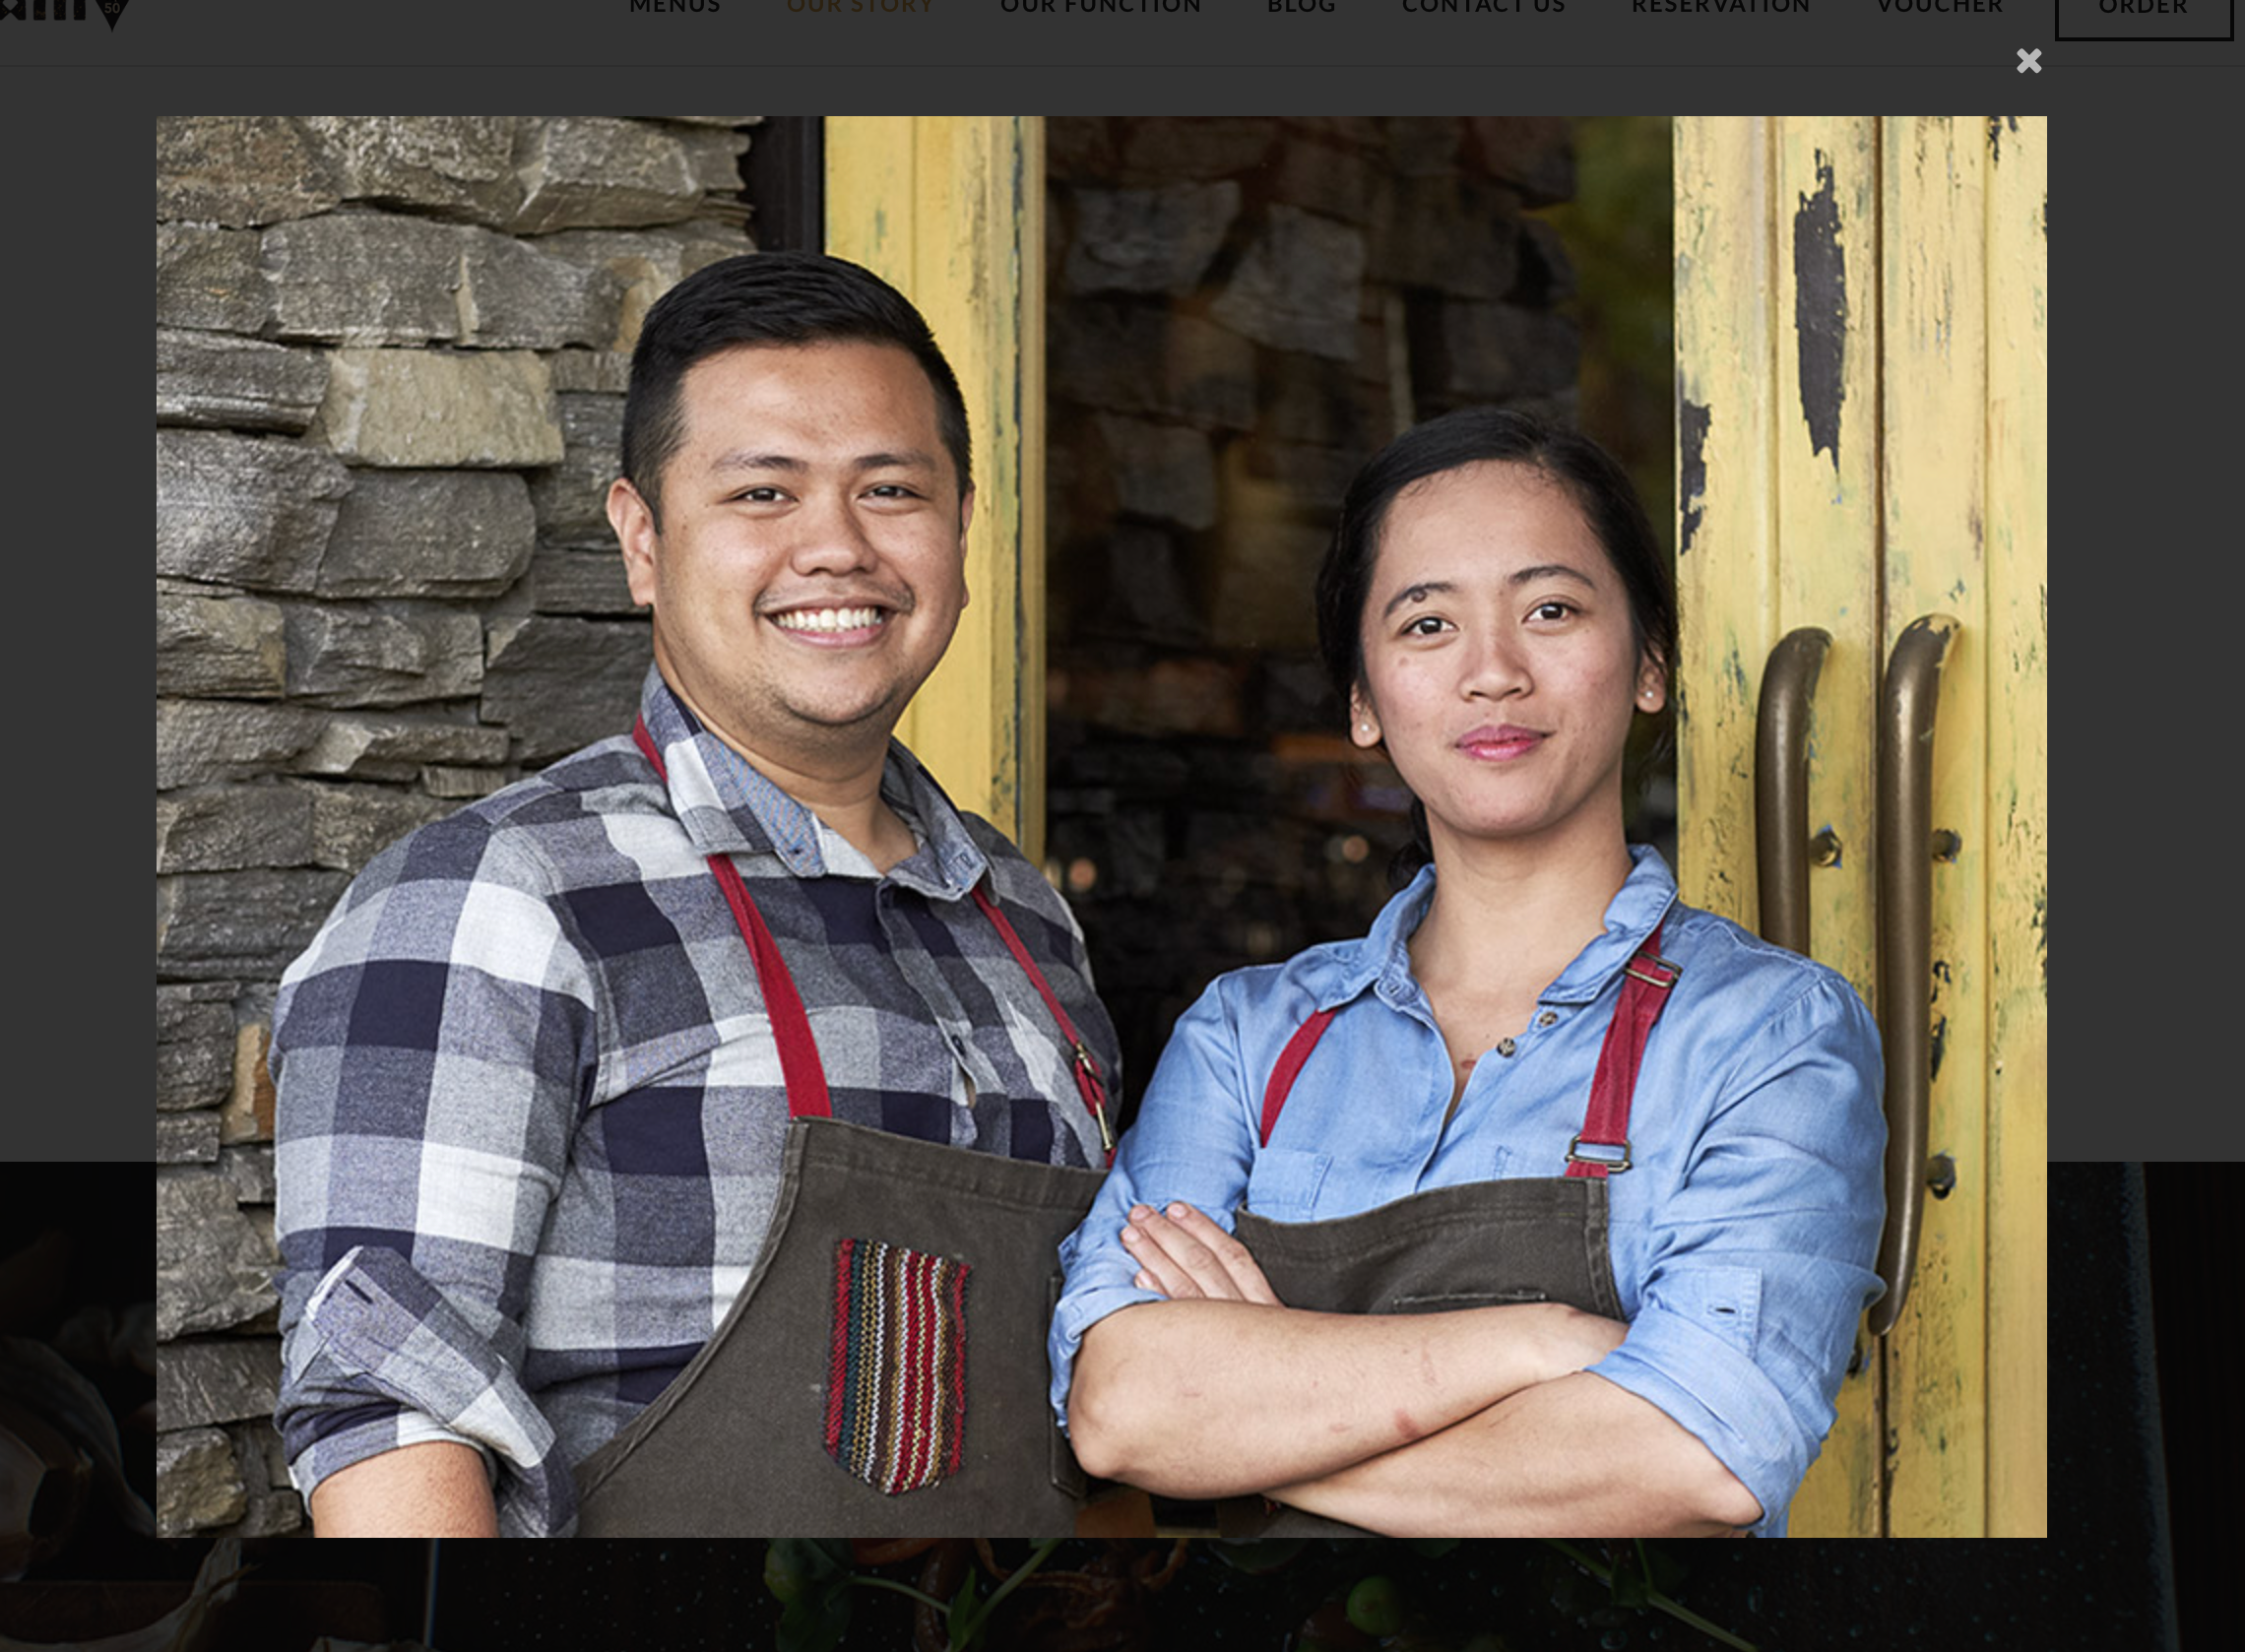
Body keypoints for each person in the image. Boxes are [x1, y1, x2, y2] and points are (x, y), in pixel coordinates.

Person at [273, 253, 1122, 1537]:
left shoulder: (1021, 915)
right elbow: (389, 1427)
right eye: (763, 491)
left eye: (891, 489)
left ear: (959, 524)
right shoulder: (497, 899)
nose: (836, 545)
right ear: (642, 539)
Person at [1048, 409, 1885, 1538]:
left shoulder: (1769, 1034)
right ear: (1362, 699)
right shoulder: (1249, 1039)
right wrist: (1537, 1341)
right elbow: (1122, 1406)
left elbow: (1695, 1457)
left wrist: (1243, 1434)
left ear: (1647, 664)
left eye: (1550, 609)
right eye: (1428, 623)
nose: (1492, 673)